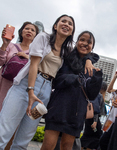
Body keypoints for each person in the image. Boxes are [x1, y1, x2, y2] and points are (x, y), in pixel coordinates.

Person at [0, 14, 78, 149]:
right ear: (55, 25)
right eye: (63, 21)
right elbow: (34, 65)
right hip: (26, 86)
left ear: (72, 30)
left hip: (45, 93)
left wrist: (89, 61)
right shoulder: (44, 37)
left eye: (70, 23)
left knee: (24, 139)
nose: (66, 24)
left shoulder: (66, 51)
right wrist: (30, 91)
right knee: (4, 132)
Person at [41, 31, 103, 150]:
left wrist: (97, 79)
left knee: (67, 146)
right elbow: (56, 81)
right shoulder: (66, 57)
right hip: (58, 108)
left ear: (92, 47)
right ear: (77, 42)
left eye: (89, 42)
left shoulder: (92, 69)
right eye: (82, 40)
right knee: (48, 146)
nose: (85, 43)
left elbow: (91, 95)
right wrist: (75, 78)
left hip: (77, 112)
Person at [0, 22, 39, 111]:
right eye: (27, 29)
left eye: (33, 30)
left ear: (36, 36)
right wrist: (5, 44)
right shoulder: (11, 46)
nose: (29, 31)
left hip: (20, 88)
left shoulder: (35, 53)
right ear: (21, 32)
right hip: (3, 84)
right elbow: (1, 62)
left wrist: (28, 58)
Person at [99, 70, 117, 150]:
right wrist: (115, 77)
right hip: (111, 120)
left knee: (106, 141)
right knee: (104, 141)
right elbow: (109, 90)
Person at [81, 81, 107, 150]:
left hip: (88, 119)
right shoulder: (99, 95)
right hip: (95, 120)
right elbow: (96, 109)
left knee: (86, 137)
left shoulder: (90, 93)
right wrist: (95, 121)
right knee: (95, 139)